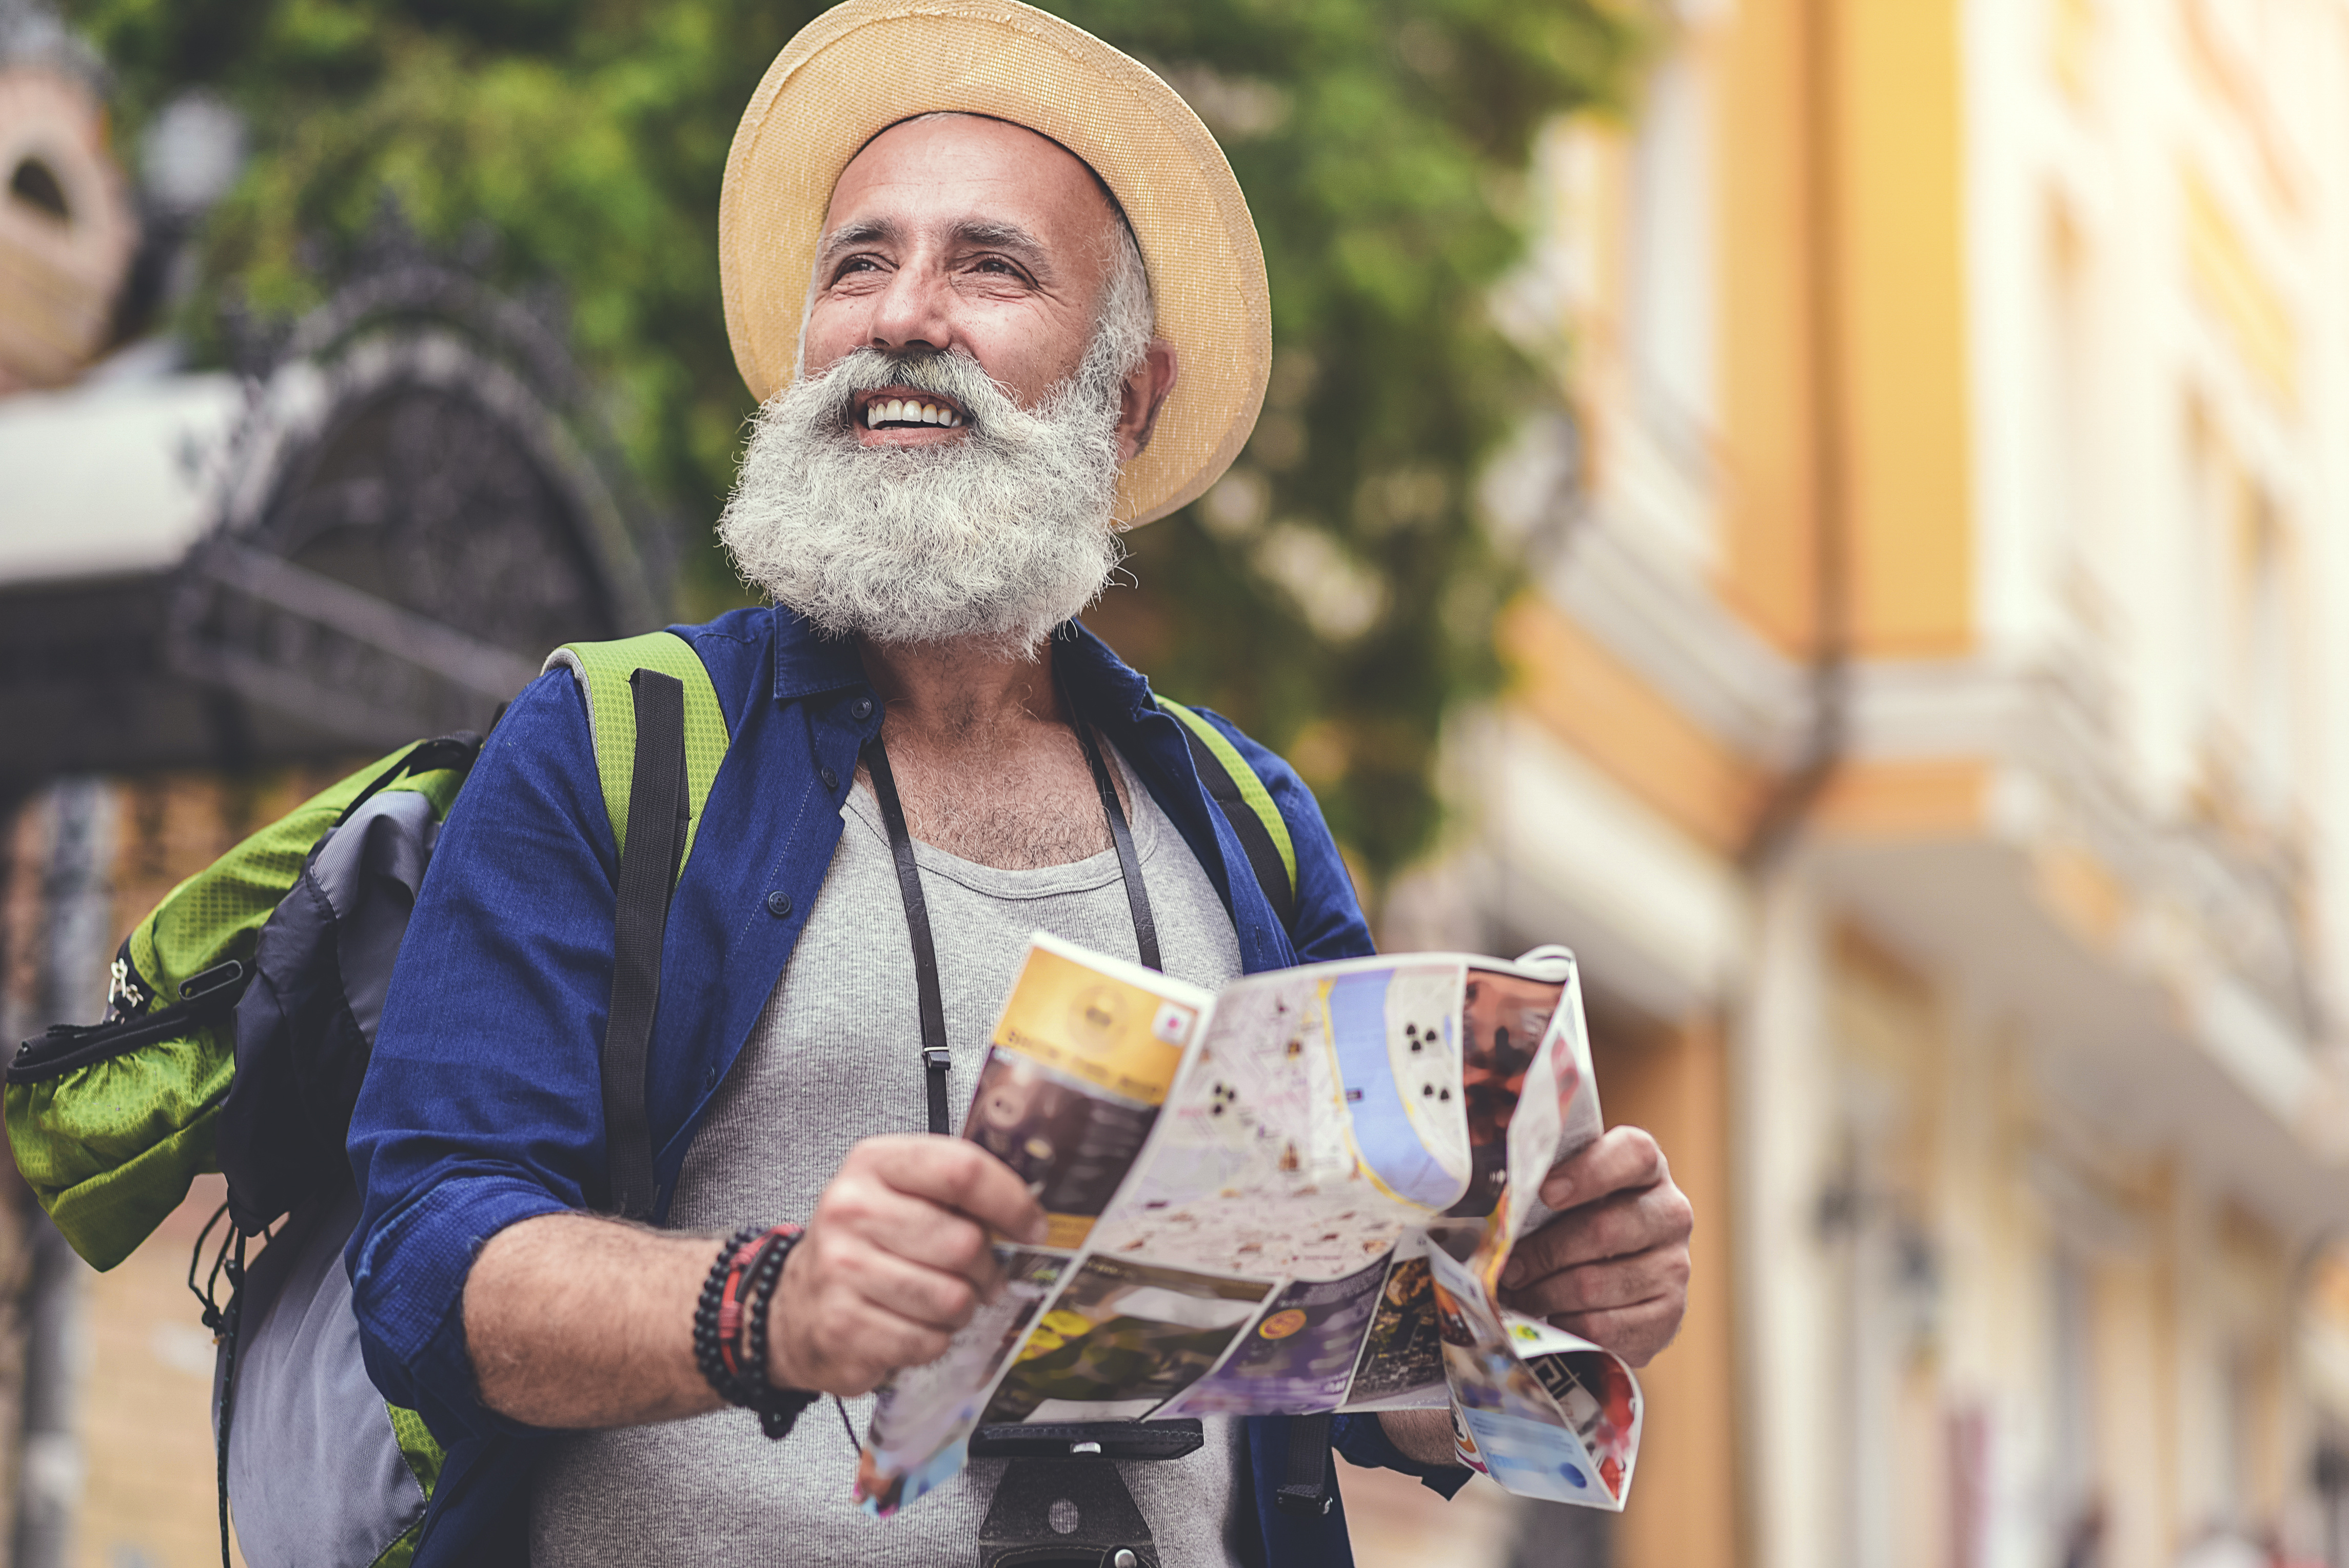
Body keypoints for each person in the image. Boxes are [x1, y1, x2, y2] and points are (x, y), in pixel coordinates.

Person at [343, 3, 1694, 1564]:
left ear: (1126, 400)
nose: (903, 316)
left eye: (988, 266)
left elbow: (1351, 1348)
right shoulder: (614, 740)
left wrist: (1520, 1308)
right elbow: (425, 1265)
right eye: (857, 263)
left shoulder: (1246, 823)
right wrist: (762, 1303)